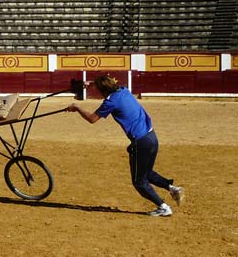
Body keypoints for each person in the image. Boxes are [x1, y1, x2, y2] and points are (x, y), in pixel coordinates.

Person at [66, 74, 184, 216]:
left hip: (141, 143)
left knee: (139, 182)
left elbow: (92, 119)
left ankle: (163, 207)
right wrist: (91, 83)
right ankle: (172, 188)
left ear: (102, 89)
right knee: (147, 173)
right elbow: (110, 84)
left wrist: (77, 108)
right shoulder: (123, 90)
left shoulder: (110, 102)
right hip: (152, 137)